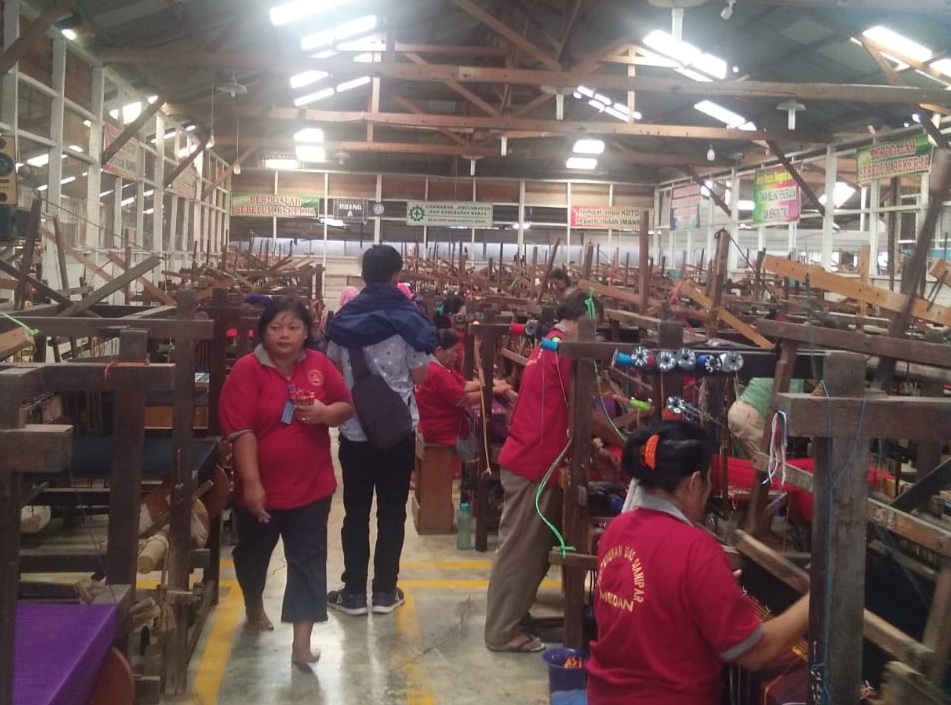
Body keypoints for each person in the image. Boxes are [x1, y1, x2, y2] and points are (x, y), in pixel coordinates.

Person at [587, 421, 810, 705]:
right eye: (708, 482)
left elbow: (646, 611)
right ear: (694, 484)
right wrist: (817, 600)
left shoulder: (616, 531)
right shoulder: (696, 550)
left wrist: (708, 591)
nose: (708, 495)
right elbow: (755, 653)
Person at [218, 296, 354, 666]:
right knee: (253, 554)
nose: (284, 335)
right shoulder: (247, 371)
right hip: (260, 490)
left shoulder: (319, 365)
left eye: (293, 327)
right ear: (263, 331)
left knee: (308, 561)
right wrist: (252, 484)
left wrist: (326, 413)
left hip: (312, 488)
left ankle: (301, 643)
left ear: (306, 332)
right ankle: (253, 602)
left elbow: (346, 404)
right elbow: (242, 432)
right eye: (276, 327)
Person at [484, 288, 617, 653]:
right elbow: (583, 413)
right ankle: (501, 631)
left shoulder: (551, 344)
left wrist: (594, 448)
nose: (600, 335)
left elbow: (564, 411)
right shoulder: (565, 352)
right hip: (534, 464)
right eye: (597, 326)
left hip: (535, 458)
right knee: (521, 552)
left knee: (531, 548)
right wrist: (629, 439)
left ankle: (511, 616)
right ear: (583, 320)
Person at [325, 244, 437, 616]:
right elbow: (420, 375)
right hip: (396, 431)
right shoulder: (407, 320)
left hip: (355, 431)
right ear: (396, 276)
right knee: (392, 511)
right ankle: (386, 592)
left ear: (363, 276)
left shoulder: (343, 321)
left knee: (355, 511)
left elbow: (332, 373)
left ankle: (354, 592)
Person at [727, 377, 803, 468]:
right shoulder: (796, 378)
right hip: (751, 417)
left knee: (753, 465)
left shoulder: (770, 369)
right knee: (770, 469)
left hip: (737, 410)